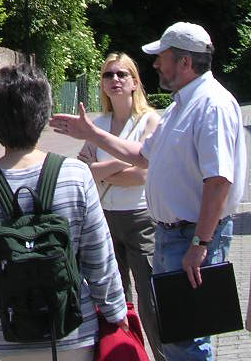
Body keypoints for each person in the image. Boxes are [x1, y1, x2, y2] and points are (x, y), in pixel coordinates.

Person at [50, 22, 247, 361]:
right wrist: (91, 134)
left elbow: (218, 181)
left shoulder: (211, 105)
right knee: (175, 337)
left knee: (187, 339)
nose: (155, 64)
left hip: (191, 237)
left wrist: (200, 244)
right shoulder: (181, 106)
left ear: (185, 62)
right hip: (172, 235)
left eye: (162, 57)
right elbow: (142, 155)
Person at [0, 64, 127, 361]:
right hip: (72, 333)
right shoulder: (76, 175)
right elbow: (99, 258)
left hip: (3, 337)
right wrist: (116, 312)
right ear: (45, 114)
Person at [78, 53, 164, 361]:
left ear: (135, 82)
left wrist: (102, 170)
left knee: (151, 300)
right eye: (108, 75)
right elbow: (83, 171)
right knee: (115, 300)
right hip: (104, 218)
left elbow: (144, 175)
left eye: (121, 74)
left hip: (141, 219)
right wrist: (125, 161)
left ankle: (161, 355)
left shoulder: (149, 121)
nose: (114, 80)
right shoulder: (97, 125)